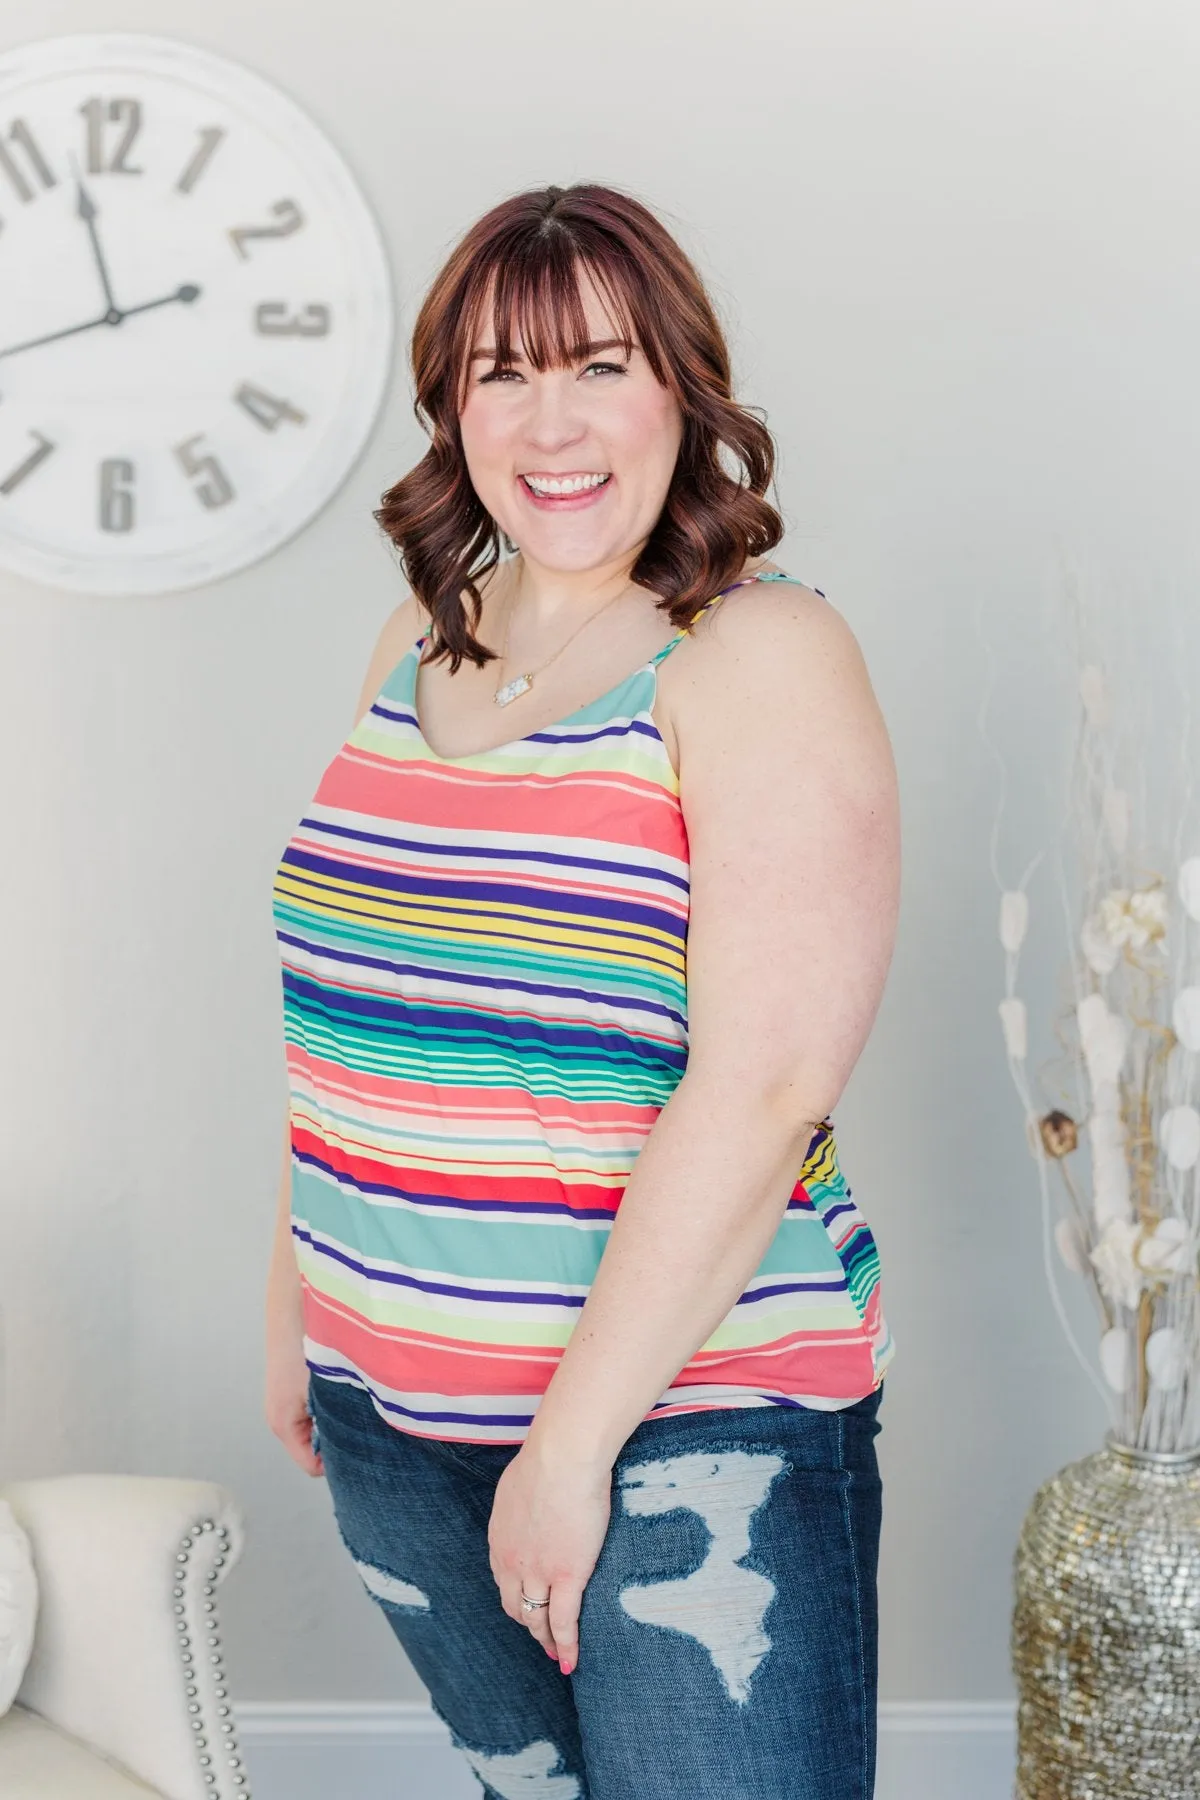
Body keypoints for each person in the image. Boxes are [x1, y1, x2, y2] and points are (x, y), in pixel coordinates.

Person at [266, 181, 900, 1800]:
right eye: (500, 373)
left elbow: (766, 1083)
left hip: (687, 1426)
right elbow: (352, 1007)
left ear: (680, 390)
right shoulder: (423, 636)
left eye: (602, 365)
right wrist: (296, 1309)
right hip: (392, 1410)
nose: (551, 422)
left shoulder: (755, 656)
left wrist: (569, 1449)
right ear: (450, 407)